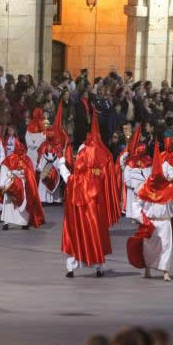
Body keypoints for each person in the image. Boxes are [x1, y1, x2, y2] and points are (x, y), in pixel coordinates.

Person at [61, 110, 116, 278]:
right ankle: (99, 265)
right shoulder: (104, 156)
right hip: (97, 205)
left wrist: (62, 163)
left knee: (76, 232)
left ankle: (72, 266)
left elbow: (69, 178)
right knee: (96, 232)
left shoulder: (79, 177)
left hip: (80, 208)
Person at [132, 143, 173, 281]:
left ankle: (165, 271)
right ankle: (147, 268)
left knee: (166, 246)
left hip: (164, 222)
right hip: (150, 222)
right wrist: (141, 217)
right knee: (149, 246)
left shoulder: (169, 189)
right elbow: (136, 203)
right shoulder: (146, 188)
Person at [0, 141, 45, 231]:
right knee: (9, 204)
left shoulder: (27, 160)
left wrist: (21, 173)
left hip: (23, 184)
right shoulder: (10, 158)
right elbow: (4, 169)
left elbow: (30, 173)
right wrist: (3, 182)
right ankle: (7, 222)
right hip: (11, 183)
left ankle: (24, 222)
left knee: (23, 203)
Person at [123, 143, 152, 222]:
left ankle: (144, 216)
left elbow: (150, 172)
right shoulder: (132, 160)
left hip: (144, 185)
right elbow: (127, 173)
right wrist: (129, 184)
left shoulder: (148, 159)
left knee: (144, 201)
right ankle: (134, 216)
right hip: (133, 186)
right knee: (134, 201)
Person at [37, 128, 66, 204]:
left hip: (46, 168)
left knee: (43, 182)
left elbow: (40, 156)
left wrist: (40, 168)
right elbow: (59, 157)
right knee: (55, 180)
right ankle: (55, 200)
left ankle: (44, 199)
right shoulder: (56, 145)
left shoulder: (43, 145)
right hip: (55, 167)